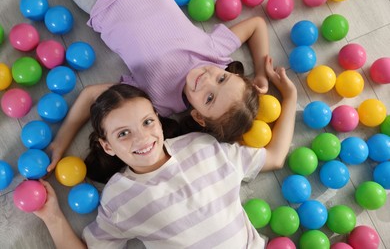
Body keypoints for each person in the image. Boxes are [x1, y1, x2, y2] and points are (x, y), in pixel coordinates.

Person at [34, 57, 297, 248]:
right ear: (107, 146)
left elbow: (275, 156)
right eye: (123, 134)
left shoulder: (203, 146)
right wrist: (52, 216)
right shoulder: (119, 198)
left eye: (147, 122)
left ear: (159, 121)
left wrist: (291, 97)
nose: (142, 138)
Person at [46, 0, 270, 171]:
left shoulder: (157, 100)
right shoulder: (216, 53)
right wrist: (261, 72)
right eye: (222, 78)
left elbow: (91, 95)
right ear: (231, 72)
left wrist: (61, 141)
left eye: (209, 98)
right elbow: (257, 25)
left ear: (199, 117)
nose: (207, 80)